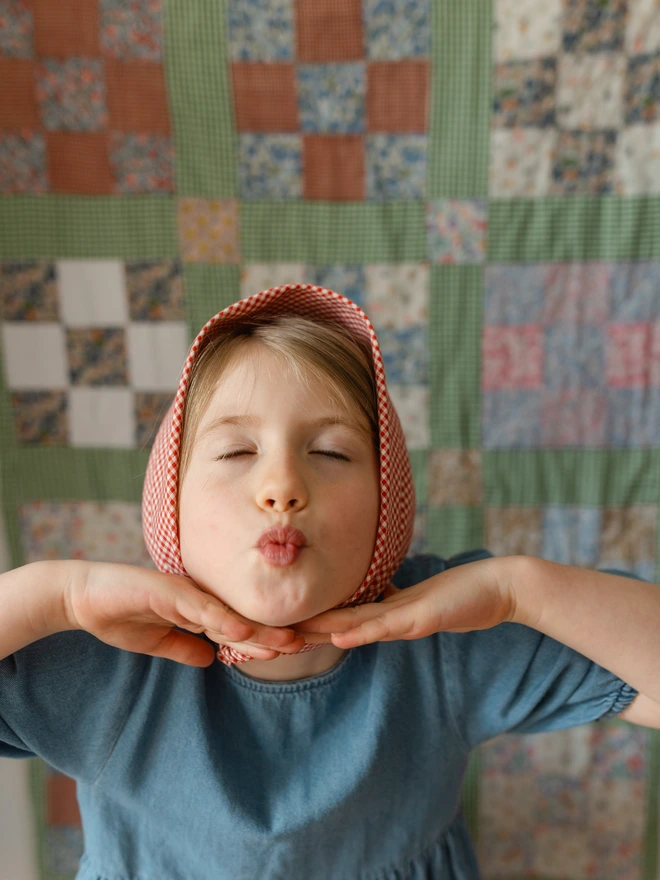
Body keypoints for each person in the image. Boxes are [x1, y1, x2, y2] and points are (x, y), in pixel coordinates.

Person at [1, 283, 659, 880]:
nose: (282, 487)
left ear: (389, 500)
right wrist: (52, 597)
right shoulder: (108, 657)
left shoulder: (445, 633)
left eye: (330, 452)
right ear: (166, 499)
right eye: (236, 452)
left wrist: (522, 590)